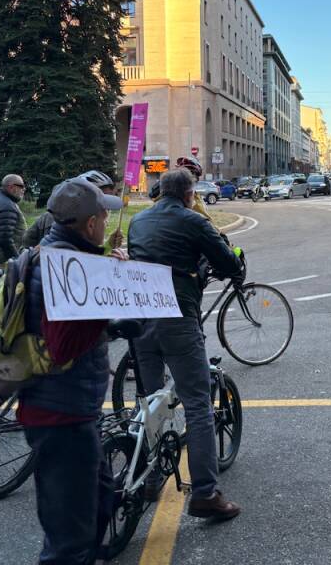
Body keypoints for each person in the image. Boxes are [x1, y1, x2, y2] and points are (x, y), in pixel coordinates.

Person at [19, 178, 125, 565]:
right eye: (103, 214)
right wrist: (103, 304)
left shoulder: (56, 255)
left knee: (99, 501)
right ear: (90, 223)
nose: (107, 219)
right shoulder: (65, 268)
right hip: (61, 413)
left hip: (68, 407)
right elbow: (64, 345)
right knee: (68, 536)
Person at [128, 168, 243, 520]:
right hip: (176, 314)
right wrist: (232, 266)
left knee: (150, 402)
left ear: (160, 192)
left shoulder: (138, 221)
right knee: (197, 403)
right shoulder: (194, 221)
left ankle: (147, 479)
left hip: (140, 315)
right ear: (190, 194)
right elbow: (226, 261)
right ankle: (206, 494)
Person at [24, 170, 123, 250]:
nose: (106, 222)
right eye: (102, 206)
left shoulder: (63, 235)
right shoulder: (56, 223)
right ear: (90, 224)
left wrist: (108, 247)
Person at [0, 174, 26, 264]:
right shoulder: (7, 205)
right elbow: (5, 238)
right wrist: (16, 259)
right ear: (11, 187)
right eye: (21, 186)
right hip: (5, 258)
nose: (24, 189)